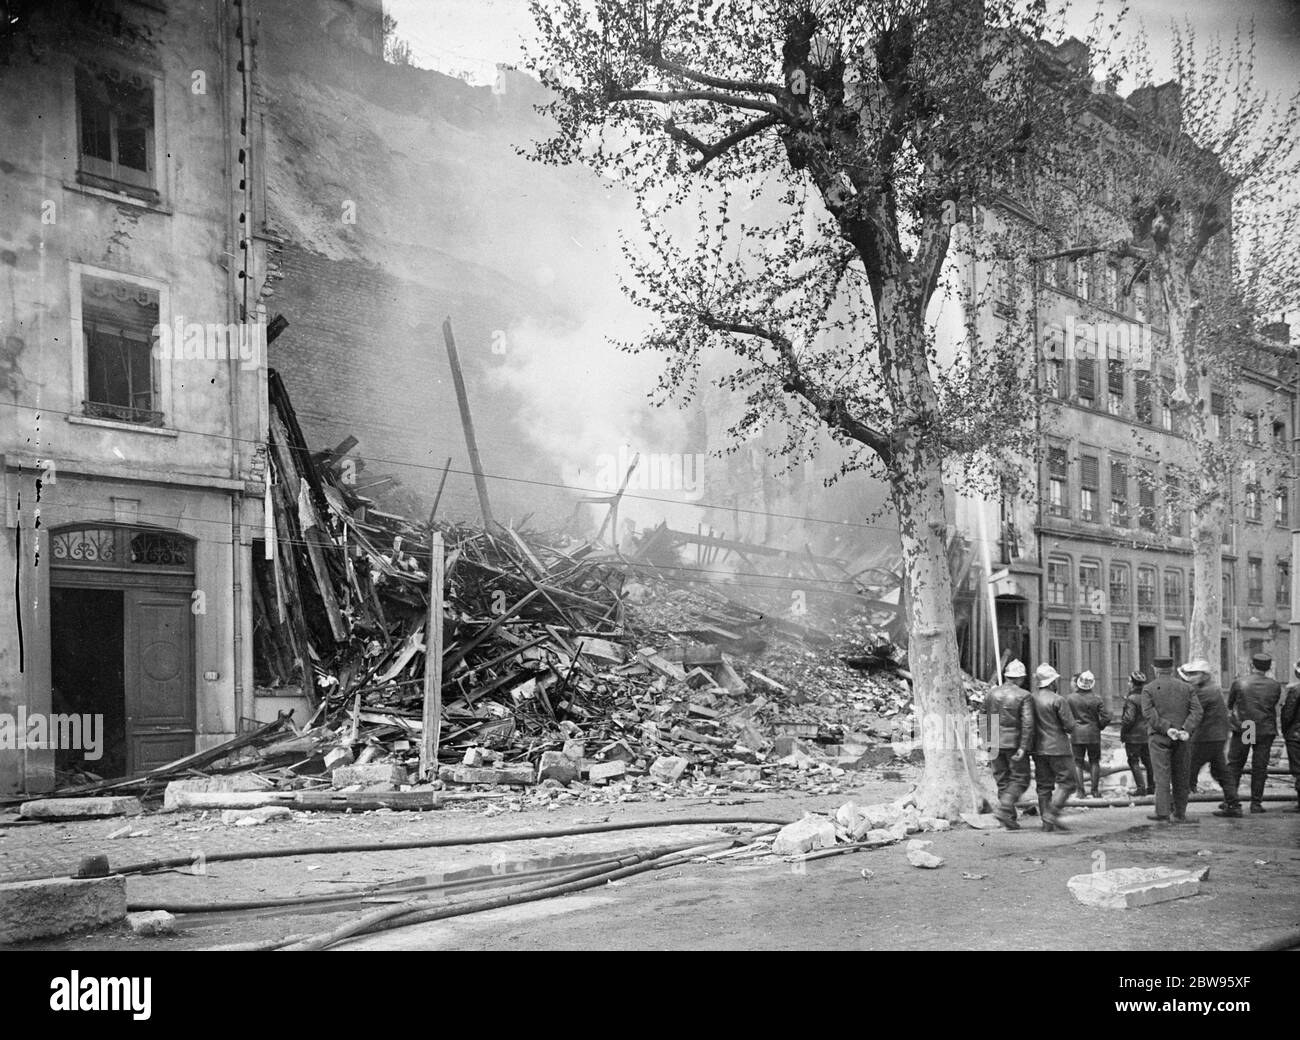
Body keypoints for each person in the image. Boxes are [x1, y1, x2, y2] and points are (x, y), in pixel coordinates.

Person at [1141, 655, 1202, 823]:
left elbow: (1148, 714)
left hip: (1159, 737)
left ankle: (1162, 812)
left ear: (1155, 669)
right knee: (1181, 775)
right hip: (1182, 738)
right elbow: (1197, 711)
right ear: (1173, 668)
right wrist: (1185, 729)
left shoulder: (1149, 688)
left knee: (1161, 776)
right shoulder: (1186, 688)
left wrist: (1167, 728)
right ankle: (1180, 813)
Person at [1224, 652, 1283, 814]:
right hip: (1265, 728)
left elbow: (1230, 704)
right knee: (1260, 766)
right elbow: (1274, 703)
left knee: (1236, 764)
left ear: (1252, 665)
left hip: (1247, 726)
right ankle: (1256, 803)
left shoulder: (1240, 683)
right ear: (1269, 667)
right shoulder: (1275, 685)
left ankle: (1230, 800)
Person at [982, 659, 1035, 829]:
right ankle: (1005, 809)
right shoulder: (1024, 695)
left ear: (1006, 676)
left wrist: (986, 741)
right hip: (1013, 742)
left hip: (994, 742)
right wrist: (1023, 747)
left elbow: (982, 717)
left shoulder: (991, 693)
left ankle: (1009, 817)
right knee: (1020, 779)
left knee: (1002, 779)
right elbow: (1028, 722)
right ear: (1020, 678)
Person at [1030, 663, 1077, 832]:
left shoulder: (1031, 698)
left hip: (1038, 748)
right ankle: (1052, 812)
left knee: (1043, 786)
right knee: (1068, 782)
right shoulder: (1058, 700)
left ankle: (1046, 824)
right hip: (1058, 748)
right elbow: (1070, 726)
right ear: (1051, 682)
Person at [1180, 659, 1231, 815]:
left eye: (1194, 674)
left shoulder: (1203, 692)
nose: (1191, 677)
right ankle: (1233, 803)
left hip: (1205, 737)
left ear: (1204, 675)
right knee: (1221, 772)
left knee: (1186, 770)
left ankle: (1175, 807)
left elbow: (1194, 714)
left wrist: (1183, 731)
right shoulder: (1213, 689)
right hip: (1217, 737)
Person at [1067, 670, 1110, 798]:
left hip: (1077, 733)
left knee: (1077, 763)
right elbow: (1106, 717)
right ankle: (1095, 790)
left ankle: (1080, 791)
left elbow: (1065, 716)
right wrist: (1099, 726)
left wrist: (1070, 728)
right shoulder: (1097, 699)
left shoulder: (1070, 698)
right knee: (1094, 761)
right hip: (1093, 733)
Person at [1121, 671, 1152, 796]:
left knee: (1133, 761)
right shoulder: (1148, 697)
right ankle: (1152, 786)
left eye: (1129, 681)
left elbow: (1129, 718)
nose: (1128, 683)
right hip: (1147, 734)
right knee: (1148, 761)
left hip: (1134, 736)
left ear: (1133, 684)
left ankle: (1141, 788)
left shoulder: (1131, 699)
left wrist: (1124, 731)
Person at [1281, 663, 1300, 813]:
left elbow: (1288, 714)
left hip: (1296, 735)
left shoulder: (1295, 690)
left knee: (1298, 769)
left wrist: (1286, 731)